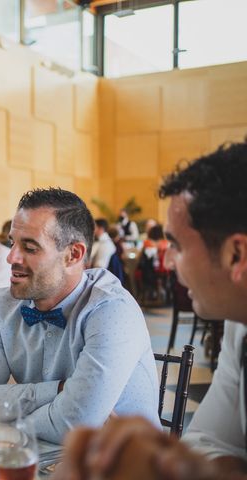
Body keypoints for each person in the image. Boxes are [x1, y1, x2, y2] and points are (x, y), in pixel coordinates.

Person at [54, 140, 247, 480]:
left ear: (235, 255)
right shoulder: (239, 323)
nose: (167, 260)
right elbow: (212, 439)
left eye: (176, 245)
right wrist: (169, 463)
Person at [0, 188, 159, 444]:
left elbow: (72, 427)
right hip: (40, 461)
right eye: (12, 243)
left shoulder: (112, 310)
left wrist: (8, 417)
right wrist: (58, 391)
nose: (11, 258)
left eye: (30, 248)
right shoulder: (4, 305)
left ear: (73, 255)